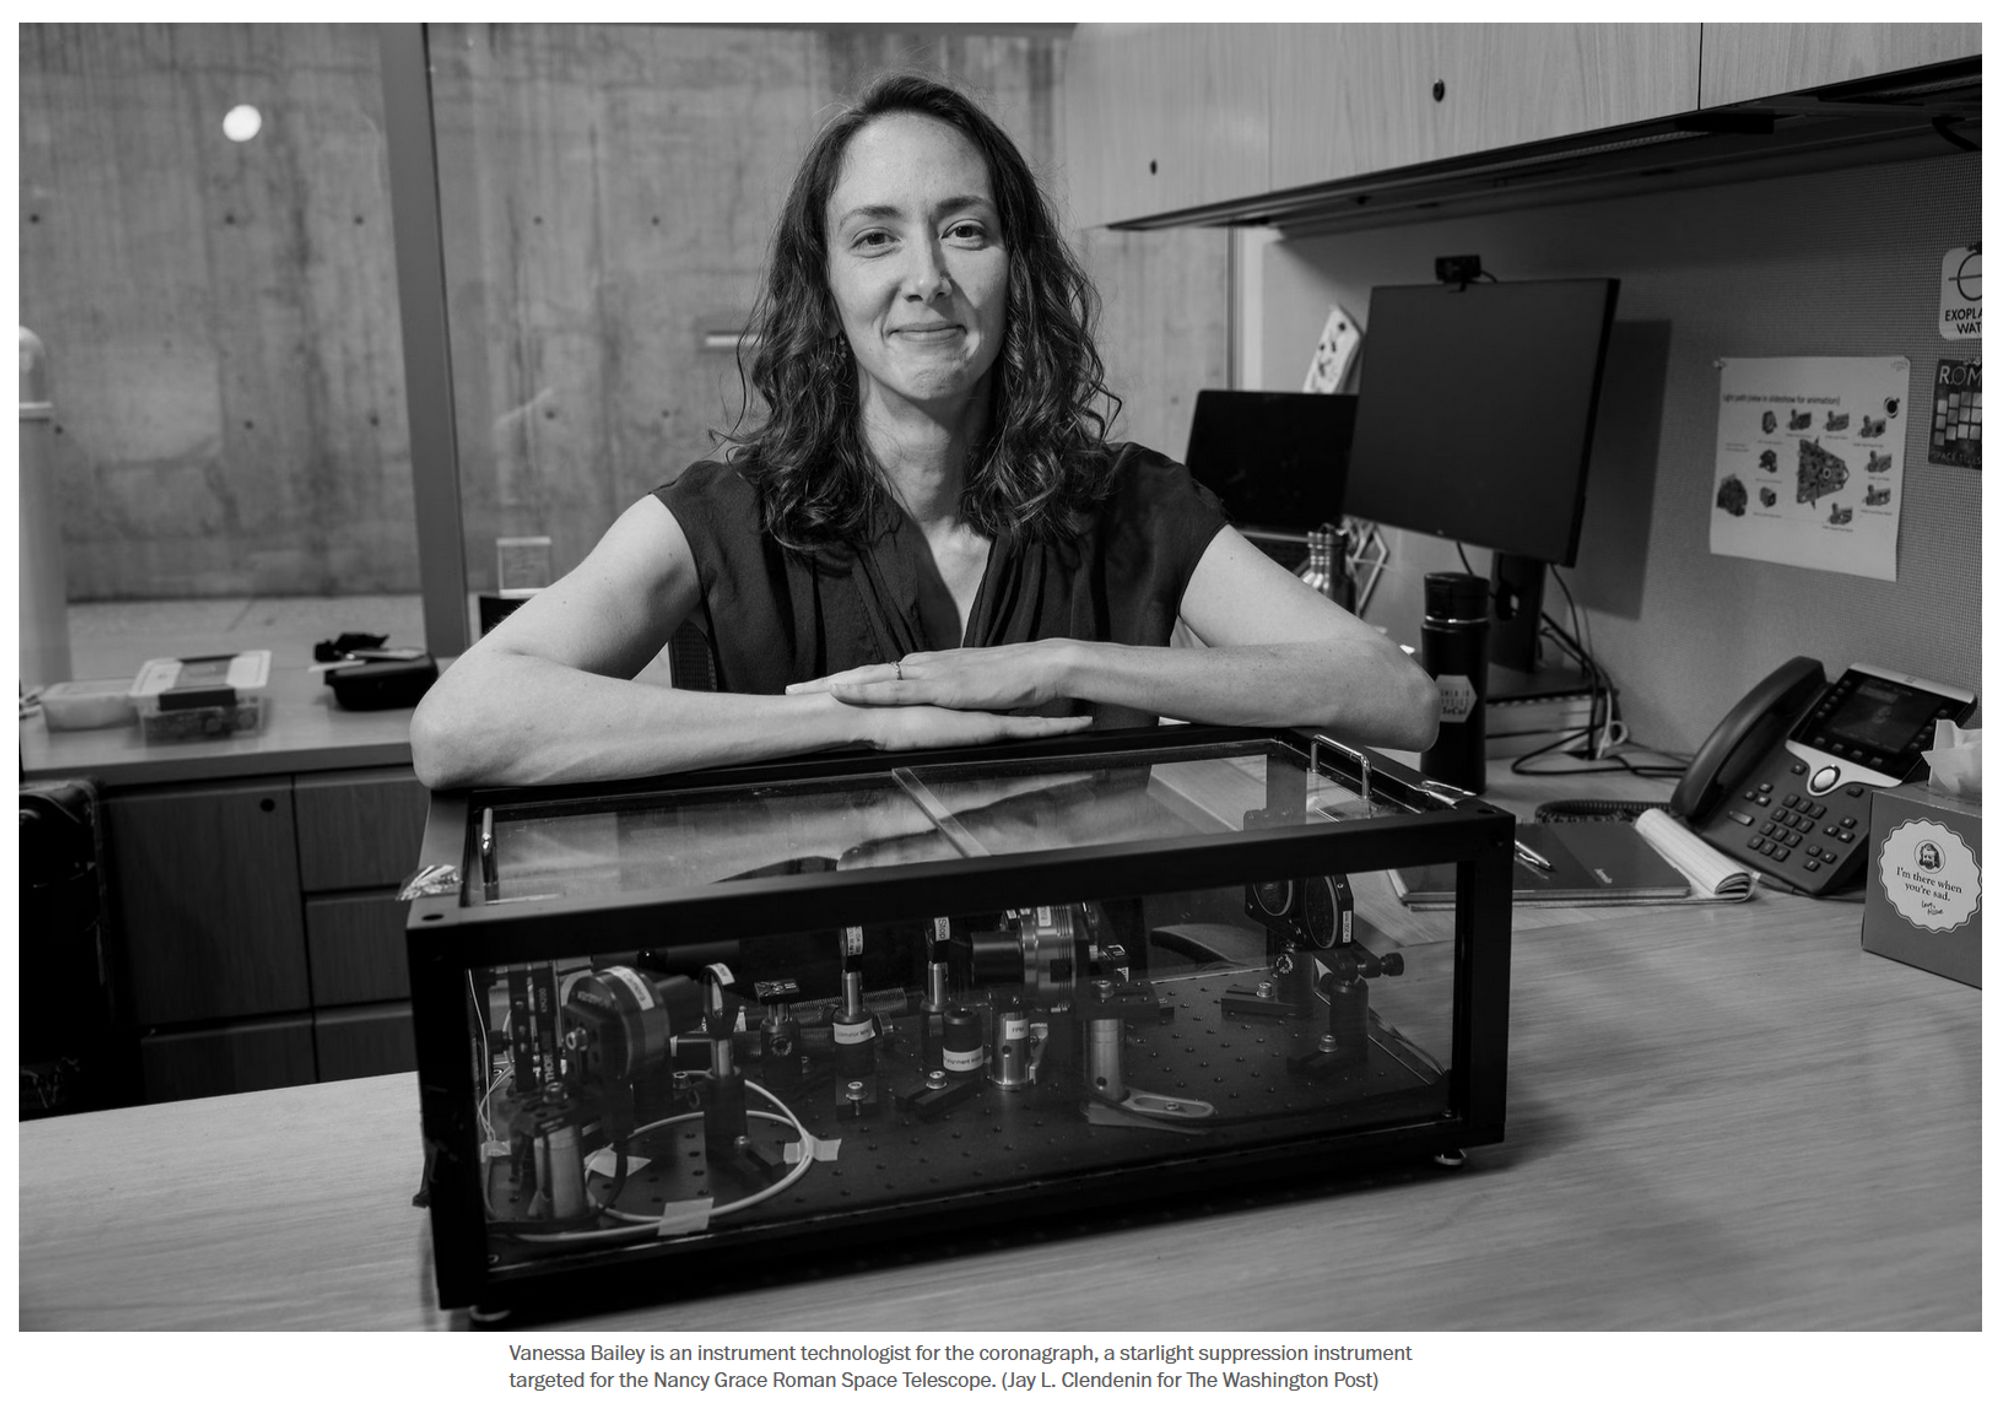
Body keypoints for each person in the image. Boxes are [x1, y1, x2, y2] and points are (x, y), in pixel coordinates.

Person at [410, 74, 1437, 792]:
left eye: (964, 229)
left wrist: (1063, 664)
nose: (926, 280)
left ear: (1014, 268)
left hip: (1085, 1048)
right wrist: (851, 721)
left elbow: (1391, 695)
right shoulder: (720, 523)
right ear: (825, 284)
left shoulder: (1129, 504)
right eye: (874, 238)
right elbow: (459, 726)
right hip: (803, 1074)